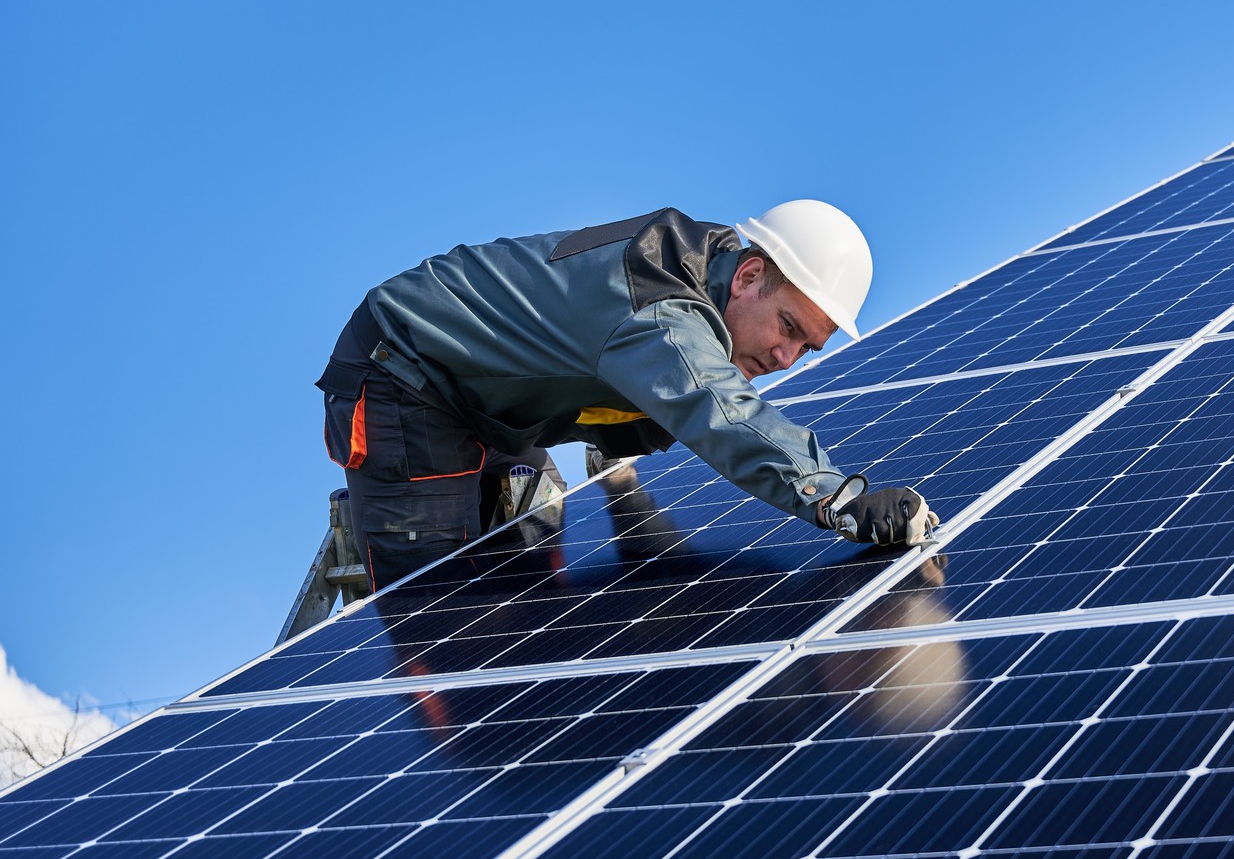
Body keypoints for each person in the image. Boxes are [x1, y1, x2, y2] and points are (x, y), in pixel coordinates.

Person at [317, 200, 937, 590]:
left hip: (498, 402)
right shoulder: (660, 310)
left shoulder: (717, 268)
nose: (785, 358)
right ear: (749, 277)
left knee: (534, 548)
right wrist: (837, 500)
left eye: (807, 348)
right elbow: (718, 411)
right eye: (788, 328)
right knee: (438, 609)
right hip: (406, 373)